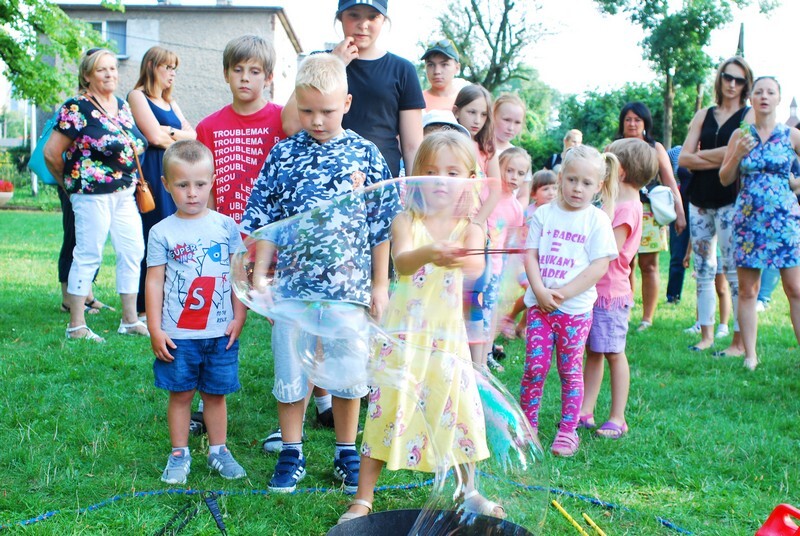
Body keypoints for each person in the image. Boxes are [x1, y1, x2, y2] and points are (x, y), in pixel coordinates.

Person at [242, 54, 401, 493]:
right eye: (307, 109)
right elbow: (268, 217)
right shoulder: (284, 153)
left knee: (350, 374)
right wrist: (260, 277)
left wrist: (380, 284)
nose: (316, 120)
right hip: (293, 289)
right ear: (296, 102)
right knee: (291, 370)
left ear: (346, 103)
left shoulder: (365, 154)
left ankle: (346, 451)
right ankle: (291, 451)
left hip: (348, 290)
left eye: (327, 111)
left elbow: (381, 224)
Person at [339, 131, 501, 524]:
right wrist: (432, 252)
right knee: (386, 410)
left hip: (446, 339)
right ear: (416, 178)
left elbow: (477, 268)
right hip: (404, 338)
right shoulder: (406, 220)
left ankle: (468, 491)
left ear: (468, 178)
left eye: (452, 172)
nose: (441, 180)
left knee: (457, 409)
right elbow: (405, 261)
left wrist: (462, 256)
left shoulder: (470, 227)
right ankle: (364, 497)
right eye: (430, 172)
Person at [146, 140, 247, 484]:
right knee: (181, 394)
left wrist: (240, 315)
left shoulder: (225, 227)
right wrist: (156, 328)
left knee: (216, 396)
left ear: (213, 180)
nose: (192, 193)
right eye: (182, 184)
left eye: (200, 184)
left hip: (219, 332)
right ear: (166, 185)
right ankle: (179, 455)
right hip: (179, 335)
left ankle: (219, 450)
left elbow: (238, 276)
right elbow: (155, 282)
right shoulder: (161, 232)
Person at [43, 48, 148, 342]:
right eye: (101, 69)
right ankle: (77, 325)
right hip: (91, 194)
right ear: (87, 76)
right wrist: (71, 185)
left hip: (125, 192)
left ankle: (129, 320)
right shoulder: (76, 107)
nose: (109, 74)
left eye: (113, 68)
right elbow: (52, 153)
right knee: (88, 253)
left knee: (132, 251)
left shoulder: (122, 105)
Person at [521, 144, 618, 457]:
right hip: (540, 308)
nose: (578, 188)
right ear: (561, 178)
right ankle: (527, 427)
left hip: (574, 312)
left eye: (587, 183)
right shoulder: (543, 214)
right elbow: (531, 255)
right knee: (535, 368)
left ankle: (567, 430)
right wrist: (540, 291)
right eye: (572, 180)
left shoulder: (597, 220)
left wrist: (563, 293)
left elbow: (598, 267)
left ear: (598, 187)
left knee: (569, 371)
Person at [282, 0, 424, 178]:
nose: (363, 24)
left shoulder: (402, 70)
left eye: (373, 17)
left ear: (384, 20)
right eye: (354, 15)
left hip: (380, 186)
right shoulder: (317, 60)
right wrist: (334, 63)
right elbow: (290, 125)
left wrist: (416, 197)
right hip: (322, 184)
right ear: (340, 17)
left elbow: (413, 146)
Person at [719, 76, 800, 371]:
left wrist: (795, 184)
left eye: (771, 92)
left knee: (796, 289)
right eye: (759, 92)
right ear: (751, 98)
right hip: (749, 220)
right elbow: (725, 178)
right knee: (748, 289)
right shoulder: (740, 136)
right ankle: (750, 355)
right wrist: (738, 154)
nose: (764, 96)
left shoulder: (791, 135)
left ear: (779, 98)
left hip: (785, 221)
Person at [580, 138, 658, 439]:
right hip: (597, 291)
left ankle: (617, 417)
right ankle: (585, 410)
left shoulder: (625, 209)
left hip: (610, 294)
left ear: (619, 171)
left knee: (613, 352)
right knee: (594, 352)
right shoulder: (622, 204)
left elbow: (607, 248)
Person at [678, 57, 753, 354]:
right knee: (703, 269)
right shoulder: (703, 114)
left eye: (739, 80)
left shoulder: (748, 116)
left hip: (730, 199)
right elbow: (683, 158)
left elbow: (741, 153)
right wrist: (724, 155)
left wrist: (704, 157)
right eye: (728, 77)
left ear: (746, 84)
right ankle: (706, 334)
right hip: (698, 199)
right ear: (720, 78)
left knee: (732, 270)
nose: (732, 84)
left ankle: (737, 340)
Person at [128, 46, 196, 320]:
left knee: (175, 234)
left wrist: (171, 132)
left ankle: (171, 297)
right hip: (153, 173)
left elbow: (194, 135)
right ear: (152, 66)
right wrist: (174, 137)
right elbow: (154, 138)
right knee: (152, 235)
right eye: (167, 67)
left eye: (174, 69)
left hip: (173, 172)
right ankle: (144, 305)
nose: (172, 74)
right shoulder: (137, 96)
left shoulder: (171, 102)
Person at [196, 34, 286, 224]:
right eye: (238, 70)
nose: (245, 78)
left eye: (254, 72)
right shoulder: (208, 127)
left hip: (272, 233)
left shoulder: (284, 120)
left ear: (269, 78)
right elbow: (206, 186)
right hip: (225, 231)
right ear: (226, 74)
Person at [617, 102, 686, 332]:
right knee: (622, 263)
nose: (632, 123)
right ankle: (622, 309)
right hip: (618, 212)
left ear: (646, 123)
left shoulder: (655, 148)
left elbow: (670, 181)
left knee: (649, 266)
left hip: (649, 213)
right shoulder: (613, 147)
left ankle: (647, 318)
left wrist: (680, 214)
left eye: (637, 119)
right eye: (628, 119)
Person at [478, 147, 527, 371]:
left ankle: (485, 355)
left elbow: (511, 242)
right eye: (509, 170)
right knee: (472, 310)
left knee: (488, 312)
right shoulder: (485, 193)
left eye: (520, 173)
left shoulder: (516, 208)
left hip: (495, 268)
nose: (514, 177)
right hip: (477, 262)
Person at [501, 168, 557, 340]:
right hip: (520, 261)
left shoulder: (556, 212)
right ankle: (508, 319)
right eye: (545, 189)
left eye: (554, 188)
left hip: (542, 263)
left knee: (536, 295)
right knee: (531, 291)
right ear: (534, 194)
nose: (551, 192)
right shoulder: (527, 212)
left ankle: (521, 326)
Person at [452, 84, 501, 178]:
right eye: (472, 112)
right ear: (456, 112)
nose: (477, 121)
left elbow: (495, 187)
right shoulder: (447, 144)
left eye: (483, 114)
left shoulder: (487, 148)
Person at [665, 144, 692, 305]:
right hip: (681, 206)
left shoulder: (713, 146)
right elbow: (661, 166)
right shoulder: (677, 151)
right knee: (678, 254)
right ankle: (673, 296)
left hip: (704, 205)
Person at [492, 94, 529, 202]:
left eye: (517, 122)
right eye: (507, 120)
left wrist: (514, 214)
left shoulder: (521, 157)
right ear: (493, 116)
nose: (511, 128)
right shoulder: (480, 148)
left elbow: (523, 195)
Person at [421, 38, 463, 112]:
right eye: (431, 65)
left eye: (444, 64)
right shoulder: (417, 100)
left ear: (457, 68)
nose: (437, 71)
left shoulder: (465, 100)